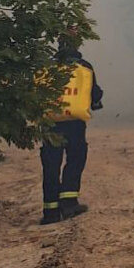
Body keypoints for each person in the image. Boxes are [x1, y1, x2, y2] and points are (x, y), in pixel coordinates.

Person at [40, 38, 104, 225]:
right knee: (75, 158)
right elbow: (95, 94)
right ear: (77, 46)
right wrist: (96, 100)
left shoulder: (47, 66)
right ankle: (69, 204)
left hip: (50, 123)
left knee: (51, 164)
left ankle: (50, 212)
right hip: (75, 123)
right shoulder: (84, 66)